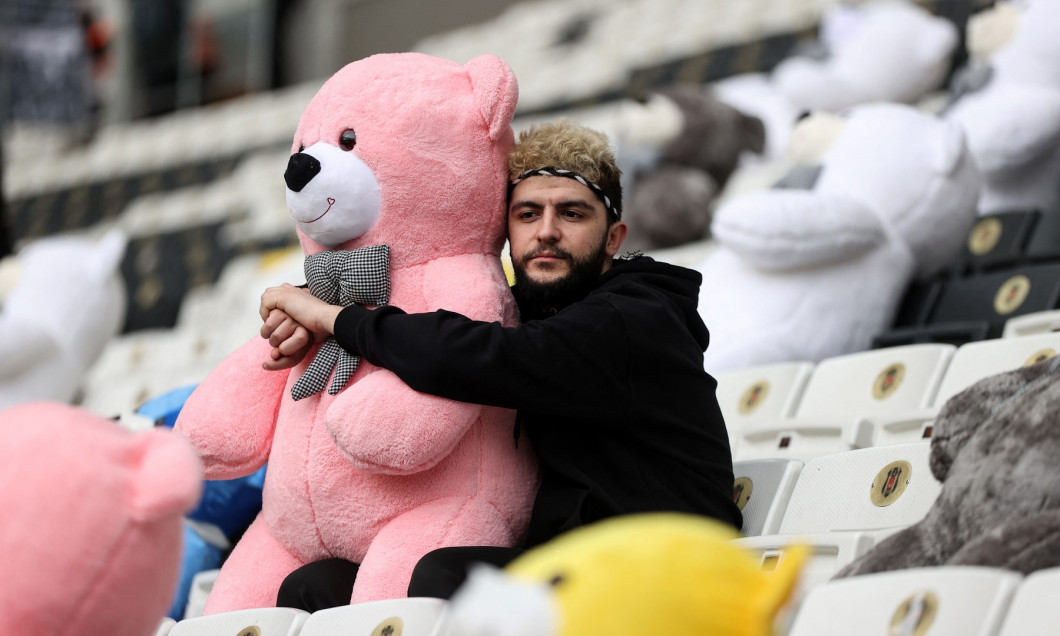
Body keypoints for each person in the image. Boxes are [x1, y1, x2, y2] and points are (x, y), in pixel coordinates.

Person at [258, 119, 741, 610]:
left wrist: (337, 319)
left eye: (572, 214)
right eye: (528, 214)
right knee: (318, 585)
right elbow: (437, 322)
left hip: (668, 568)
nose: (546, 232)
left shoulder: (634, 316)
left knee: (441, 574)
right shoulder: (537, 311)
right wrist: (312, 308)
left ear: (614, 237)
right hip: (576, 565)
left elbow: (486, 355)